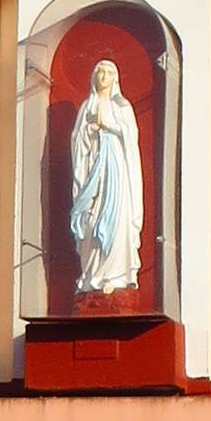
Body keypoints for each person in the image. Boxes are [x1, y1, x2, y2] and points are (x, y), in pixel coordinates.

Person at [67, 56, 144, 298]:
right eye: (100, 72)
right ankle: (92, 276)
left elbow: (131, 138)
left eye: (109, 73)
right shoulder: (86, 107)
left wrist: (109, 126)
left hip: (116, 172)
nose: (104, 77)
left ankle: (115, 276)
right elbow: (77, 144)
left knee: (118, 219)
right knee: (90, 219)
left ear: (115, 79)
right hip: (92, 171)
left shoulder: (122, 106)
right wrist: (89, 130)